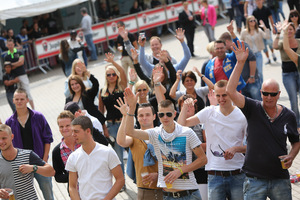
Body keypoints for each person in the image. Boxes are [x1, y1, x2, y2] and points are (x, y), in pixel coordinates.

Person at [226, 40, 300, 200]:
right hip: (254, 180)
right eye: (265, 93)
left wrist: (292, 156)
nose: (269, 97)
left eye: (273, 94)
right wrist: (240, 63)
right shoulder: (252, 108)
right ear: (261, 93)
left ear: (279, 94)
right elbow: (230, 91)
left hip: (280, 179)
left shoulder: (289, 116)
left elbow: (296, 141)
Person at [123, 88, 207, 199]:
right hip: (167, 195)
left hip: (189, 194)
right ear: (158, 116)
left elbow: (203, 159)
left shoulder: (187, 132)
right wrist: (132, 107)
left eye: (168, 114)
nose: (165, 117)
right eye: (162, 115)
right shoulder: (155, 133)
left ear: (174, 114)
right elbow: (129, 131)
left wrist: (180, 171)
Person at [178, 80, 247, 200]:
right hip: (214, 174)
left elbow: (252, 146)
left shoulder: (242, 115)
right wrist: (185, 107)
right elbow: (181, 126)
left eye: (224, 95)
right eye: (218, 95)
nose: (221, 99)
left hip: (237, 173)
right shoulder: (209, 112)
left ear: (231, 93)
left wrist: (236, 149)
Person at [5, 88, 54, 200]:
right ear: (13, 100)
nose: (19, 101)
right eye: (17, 99)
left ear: (27, 100)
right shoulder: (9, 122)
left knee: (48, 193)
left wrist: (45, 159)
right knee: (24, 195)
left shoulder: (38, 117)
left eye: (22, 99)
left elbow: (48, 139)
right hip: (20, 165)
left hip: (39, 161)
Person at [66, 116, 124, 199]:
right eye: (72, 131)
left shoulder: (107, 152)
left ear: (88, 131)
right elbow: (72, 187)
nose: (73, 135)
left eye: (76, 131)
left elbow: (120, 180)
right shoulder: (73, 157)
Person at [116, 101, 163, 200]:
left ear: (154, 116)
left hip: (165, 187)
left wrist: (159, 175)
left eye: (147, 115)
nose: (144, 118)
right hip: (144, 189)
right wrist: (125, 116)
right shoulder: (133, 136)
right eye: (141, 115)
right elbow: (121, 141)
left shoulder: (162, 134)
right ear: (137, 118)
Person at [0, 124, 55, 200]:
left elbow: (51, 171)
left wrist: (33, 168)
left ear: (12, 137)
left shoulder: (27, 154)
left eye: (4, 138)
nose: (1, 142)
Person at [98, 55, 127, 190]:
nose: (111, 76)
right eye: (109, 74)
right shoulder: (102, 91)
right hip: (111, 125)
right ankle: (122, 183)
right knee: (118, 156)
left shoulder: (121, 86)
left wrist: (113, 62)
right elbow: (100, 111)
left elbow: (122, 72)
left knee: (133, 153)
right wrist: (104, 128)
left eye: (113, 74)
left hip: (124, 124)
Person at [177, 95, 208, 200]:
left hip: (200, 170)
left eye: (191, 106)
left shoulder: (201, 124)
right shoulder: (175, 126)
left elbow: (209, 145)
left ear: (195, 108)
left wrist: (192, 146)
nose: (188, 108)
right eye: (185, 106)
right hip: (182, 173)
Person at [219, 25, 260, 100]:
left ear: (227, 42)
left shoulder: (241, 45)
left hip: (251, 81)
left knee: (258, 103)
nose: (223, 48)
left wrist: (252, 76)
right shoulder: (228, 52)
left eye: (223, 45)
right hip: (242, 85)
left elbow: (252, 59)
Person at [273, 22, 300, 130]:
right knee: (293, 100)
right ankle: (297, 123)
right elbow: (275, 46)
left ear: (294, 30)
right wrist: (280, 32)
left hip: (298, 72)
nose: (289, 31)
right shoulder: (283, 43)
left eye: (291, 29)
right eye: (287, 29)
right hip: (288, 74)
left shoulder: (299, 41)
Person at [52, 111, 79, 188]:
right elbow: (58, 176)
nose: (64, 129)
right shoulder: (57, 151)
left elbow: (103, 142)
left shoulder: (84, 143)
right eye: (61, 126)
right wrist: (75, 175)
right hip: (75, 191)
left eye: (68, 125)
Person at [4, 39, 34, 109]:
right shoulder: (6, 56)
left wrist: (11, 64)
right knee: (18, 96)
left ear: (14, 45)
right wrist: (16, 64)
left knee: (27, 93)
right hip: (13, 78)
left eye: (11, 44)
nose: (10, 46)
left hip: (22, 75)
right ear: (7, 45)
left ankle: (33, 109)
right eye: (9, 45)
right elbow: (8, 67)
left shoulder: (19, 52)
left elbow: (21, 62)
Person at [241, 16, 270, 84]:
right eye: (251, 21)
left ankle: (261, 88)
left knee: (259, 72)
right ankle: (255, 86)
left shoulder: (258, 30)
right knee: (252, 73)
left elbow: (267, 36)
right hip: (249, 56)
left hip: (258, 54)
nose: (253, 22)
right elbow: (241, 42)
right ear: (248, 22)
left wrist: (264, 27)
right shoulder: (244, 32)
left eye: (254, 20)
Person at [252, 0, 277, 64]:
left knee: (270, 43)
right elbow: (253, 22)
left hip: (267, 30)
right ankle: (268, 58)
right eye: (257, 1)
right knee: (264, 46)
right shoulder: (255, 11)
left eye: (259, 0)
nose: (258, 2)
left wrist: (274, 28)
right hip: (259, 32)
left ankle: (273, 54)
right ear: (255, 2)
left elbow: (271, 19)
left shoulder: (266, 9)